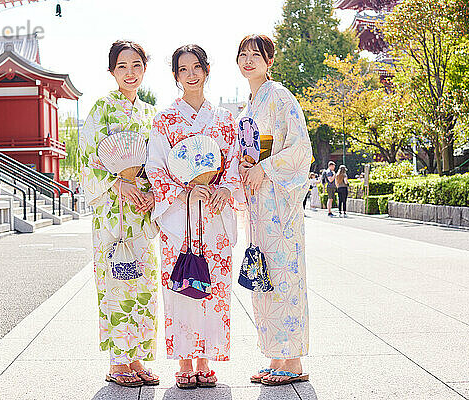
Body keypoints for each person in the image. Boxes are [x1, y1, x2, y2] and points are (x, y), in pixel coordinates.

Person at [146, 44, 242, 389]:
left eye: (196, 67)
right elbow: (155, 166)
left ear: (207, 70)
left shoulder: (225, 119)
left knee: (214, 285)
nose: (190, 74)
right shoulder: (165, 120)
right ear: (175, 76)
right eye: (183, 69)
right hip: (180, 217)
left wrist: (226, 189)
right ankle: (185, 361)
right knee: (182, 286)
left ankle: (206, 360)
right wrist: (183, 191)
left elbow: (233, 162)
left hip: (214, 213)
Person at [78, 40, 160, 388]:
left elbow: (155, 163)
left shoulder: (148, 113)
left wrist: (152, 192)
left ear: (145, 68)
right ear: (112, 71)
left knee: (143, 283)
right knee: (116, 282)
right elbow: (86, 157)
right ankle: (118, 362)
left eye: (136, 65)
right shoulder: (101, 108)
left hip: (140, 212)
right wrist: (116, 185)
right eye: (122, 66)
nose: (130, 72)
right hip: (113, 214)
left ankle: (138, 358)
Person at [236, 34, 312, 386]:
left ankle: (293, 360)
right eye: (243, 55)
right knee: (264, 278)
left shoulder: (279, 96)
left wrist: (263, 169)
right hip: (259, 205)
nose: (248, 60)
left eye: (256, 55)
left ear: (270, 61)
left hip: (279, 204)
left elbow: (299, 147)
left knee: (284, 276)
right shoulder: (248, 104)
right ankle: (275, 355)